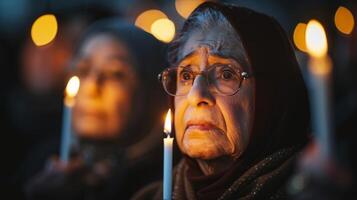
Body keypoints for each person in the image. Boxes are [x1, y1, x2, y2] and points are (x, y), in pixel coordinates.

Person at [133, 2, 310, 200]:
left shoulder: (312, 190)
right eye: (185, 75)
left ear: (271, 96)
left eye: (226, 74)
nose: (196, 96)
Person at [25, 19, 168, 200]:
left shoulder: (165, 185)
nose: (92, 87)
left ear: (150, 91)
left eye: (116, 74)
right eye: (83, 70)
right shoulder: (42, 164)